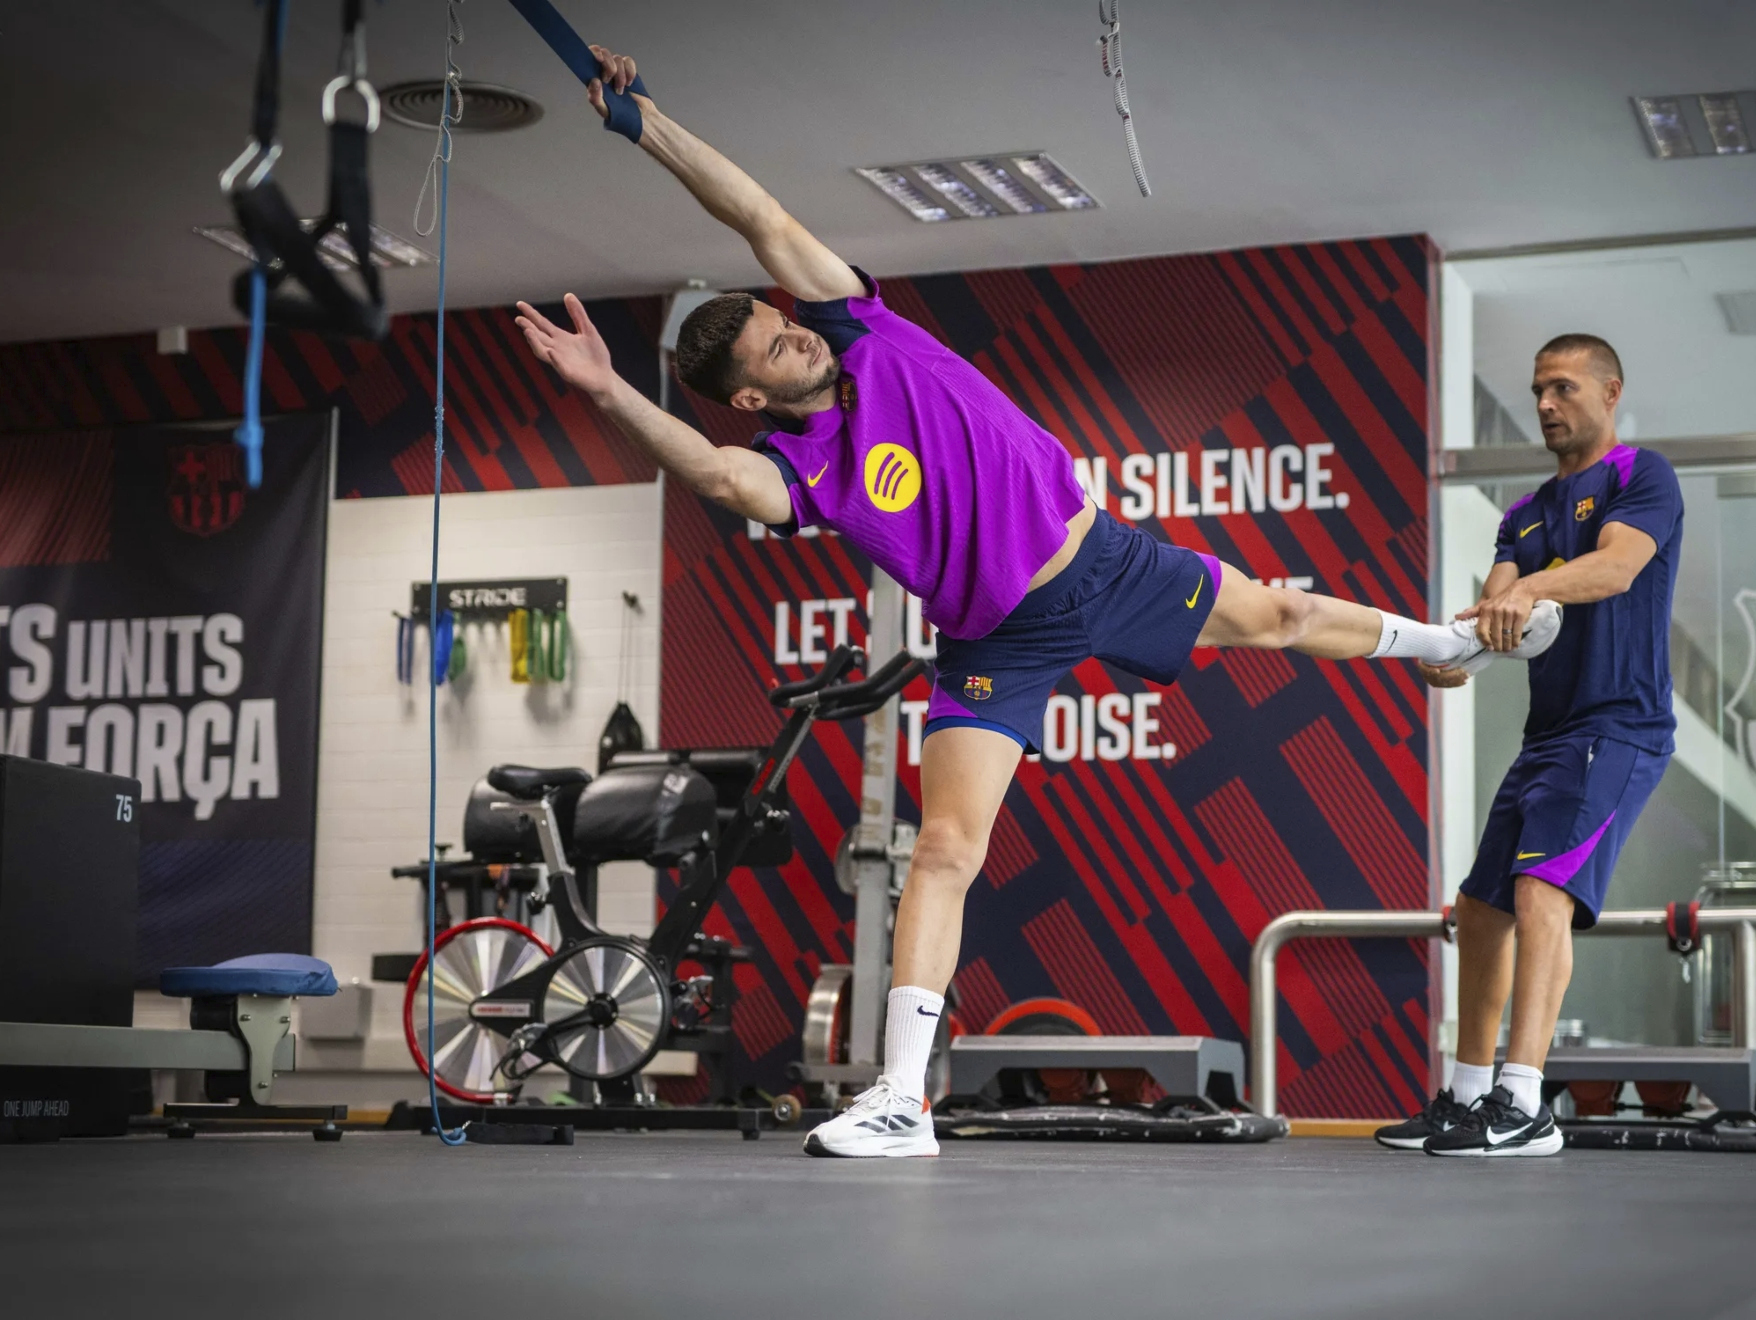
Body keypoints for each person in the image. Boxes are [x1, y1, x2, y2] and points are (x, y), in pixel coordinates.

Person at [514, 48, 1562, 1158]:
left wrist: (647, 125)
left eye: (788, 320)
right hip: (994, 639)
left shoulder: (865, 326)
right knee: (944, 854)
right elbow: (723, 479)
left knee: (1283, 617)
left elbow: (761, 214)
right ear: (751, 396)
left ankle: (1451, 641)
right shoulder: (802, 469)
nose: (799, 331)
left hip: (1101, 561)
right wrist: (608, 389)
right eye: (778, 346)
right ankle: (900, 1102)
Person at [1375, 334, 1682, 1157]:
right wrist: (1456, 653)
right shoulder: (1522, 514)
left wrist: (1531, 591)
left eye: (1564, 389)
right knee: (1481, 909)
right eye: (1538, 392)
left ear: (1610, 392)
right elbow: (1494, 611)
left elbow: (1616, 570)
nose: (1545, 405)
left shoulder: (1640, 477)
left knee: (1543, 892)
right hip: (1547, 737)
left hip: (1619, 726)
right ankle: (1470, 1097)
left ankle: (1527, 1104)